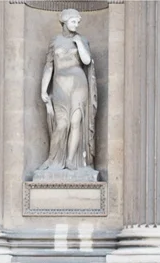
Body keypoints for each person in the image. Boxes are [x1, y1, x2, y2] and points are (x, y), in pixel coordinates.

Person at [37, 8, 97, 173]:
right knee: (62, 124)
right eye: (73, 21)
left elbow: (86, 60)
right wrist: (43, 90)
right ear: (64, 21)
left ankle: (70, 160)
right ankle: (52, 158)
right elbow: (49, 66)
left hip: (79, 85)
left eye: (78, 22)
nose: (76, 25)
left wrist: (78, 43)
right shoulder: (55, 41)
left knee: (75, 122)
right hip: (60, 86)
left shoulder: (81, 39)